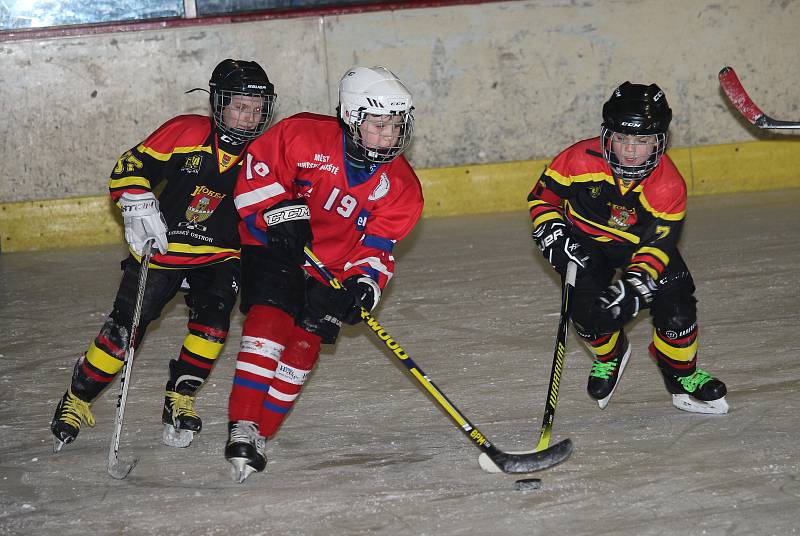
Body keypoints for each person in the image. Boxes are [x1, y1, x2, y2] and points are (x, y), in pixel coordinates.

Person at [50, 59, 277, 452]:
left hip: (221, 255)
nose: (248, 118)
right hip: (164, 248)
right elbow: (129, 166)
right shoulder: (186, 131)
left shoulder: (266, 152)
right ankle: (76, 398)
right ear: (218, 104)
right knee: (123, 332)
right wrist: (136, 198)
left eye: (257, 110)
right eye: (240, 106)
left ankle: (180, 396)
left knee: (213, 328)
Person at [225, 66, 423, 482]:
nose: (389, 136)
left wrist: (363, 284)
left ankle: (262, 432)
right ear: (351, 117)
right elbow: (255, 173)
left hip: (330, 268)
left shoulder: (402, 187)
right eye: (379, 124)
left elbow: (378, 249)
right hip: (273, 245)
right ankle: (242, 427)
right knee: (270, 320)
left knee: (305, 345)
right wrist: (278, 214)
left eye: (396, 125)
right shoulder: (301, 135)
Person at [527, 82, 729, 415]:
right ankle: (611, 355)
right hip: (583, 242)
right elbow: (542, 198)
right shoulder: (577, 159)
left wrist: (636, 285)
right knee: (587, 316)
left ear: (659, 141)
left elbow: (659, 244)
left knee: (677, 307)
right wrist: (551, 231)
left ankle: (682, 375)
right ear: (608, 135)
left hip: (639, 246)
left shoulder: (668, 184)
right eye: (621, 139)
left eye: (642, 141)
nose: (630, 152)